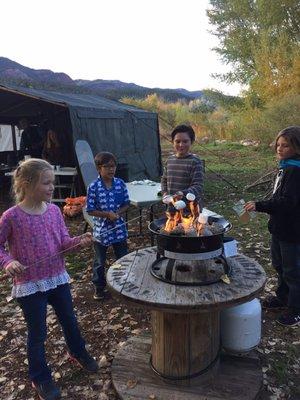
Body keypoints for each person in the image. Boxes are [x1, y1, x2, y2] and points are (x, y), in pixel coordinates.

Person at [0, 158, 99, 400]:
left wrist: (79, 241)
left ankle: (78, 352)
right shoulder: (11, 217)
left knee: (70, 321)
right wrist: (8, 262)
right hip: (30, 285)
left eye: (52, 182)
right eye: (46, 183)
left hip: (57, 279)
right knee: (38, 333)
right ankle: (40, 377)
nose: (52, 187)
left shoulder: (55, 211)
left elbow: (64, 244)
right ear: (27, 183)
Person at [245, 126, 300, 327]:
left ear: (297, 147)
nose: (279, 148)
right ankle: (283, 297)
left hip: (292, 231)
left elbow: (287, 202)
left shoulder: (295, 170)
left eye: (285, 145)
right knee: (279, 266)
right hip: (279, 228)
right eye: (278, 144)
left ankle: (295, 309)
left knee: (293, 271)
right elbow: (279, 197)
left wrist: (260, 206)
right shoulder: (285, 167)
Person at [86, 152, 130, 300]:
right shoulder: (93, 187)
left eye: (113, 166)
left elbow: (126, 203)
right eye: (107, 166)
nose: (111, 169)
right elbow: (90, 210)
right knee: (100, 261)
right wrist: (107, 214)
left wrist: (117, 212)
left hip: (118, 229)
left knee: (122, 258)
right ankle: (99, 288)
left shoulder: (120, 183)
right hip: (101, 232)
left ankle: (123, 283)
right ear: (99, 168)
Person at [161, 124, 204, 207]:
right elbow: (164, 179)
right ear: (172, 142)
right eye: (177, 141)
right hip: (172, 207)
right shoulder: (169, 160)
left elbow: (198, 186)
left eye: (185, 141)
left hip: (190, 209)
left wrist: (182, 194)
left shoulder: (195, 162)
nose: (181, 145)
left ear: (191, 141)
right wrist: (165, 193)